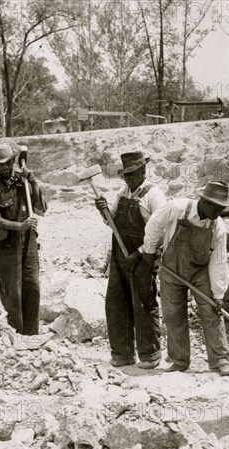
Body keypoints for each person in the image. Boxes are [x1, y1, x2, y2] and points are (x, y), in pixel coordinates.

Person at [141, 181, 229, 377]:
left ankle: (221, 360)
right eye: (217, 208)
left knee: (211, 312)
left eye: (222, 208)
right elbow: (154, 224)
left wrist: (218, 294)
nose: (219, 212)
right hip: (171, 268)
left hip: (200, 271)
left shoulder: (217, 226)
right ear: (205, 202)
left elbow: (218, 260)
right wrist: (149, 252)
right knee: (173, 315)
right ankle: (179, 360)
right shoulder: (178, 208)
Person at [95, 151, 167, 369]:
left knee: (143, 304)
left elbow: (162, 231)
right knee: (116, 303)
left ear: (144, 171)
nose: (129, 178)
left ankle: (150, 354)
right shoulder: (122, 193)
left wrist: (140, 253)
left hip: (143, 257)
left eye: (133, 174)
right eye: (126, 175)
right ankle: (122, 353)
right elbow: (112, 223)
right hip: (119, 257)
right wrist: (103, 211)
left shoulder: (154, 196)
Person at [0, 144, 47, 335]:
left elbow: (41, 208)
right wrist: (20, 225)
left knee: (32, 287)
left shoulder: (22, 181)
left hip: (29, 241)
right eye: (0, 165)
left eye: (8, 163)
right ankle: (16, 335)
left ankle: (32, 335)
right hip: (6, 244)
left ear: (13, 161)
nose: (5, 168)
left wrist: (33, 182)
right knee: (13, 292)